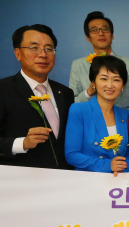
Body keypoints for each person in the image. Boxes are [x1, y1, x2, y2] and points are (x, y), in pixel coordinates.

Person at [0, 24, 74, 169]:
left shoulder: (65, 93)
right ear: (18, 53)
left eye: (49, 49)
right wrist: (22, 143)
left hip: (65, 180)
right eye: (34, 48)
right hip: (22, 182)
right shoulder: (3, 89)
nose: (43, 54)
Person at [65, 55, 129, 174]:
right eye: (104, 79)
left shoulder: (125, 114)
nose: (110, 85)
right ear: (93, 82)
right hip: (89, 181)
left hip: (119, 182)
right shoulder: (79, 110)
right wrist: (108, 165)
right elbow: (72, 155)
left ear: (123, 85)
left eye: (116, 79)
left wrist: (125, 168)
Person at [69, 11, 129, 108]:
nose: (101, 33)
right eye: (95, 30)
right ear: (88, 37)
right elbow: (72, 102)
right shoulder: (78, 65)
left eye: (105, 29)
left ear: (112, 35)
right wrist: (88, 93)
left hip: (123, 120)